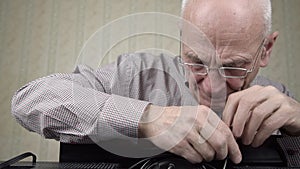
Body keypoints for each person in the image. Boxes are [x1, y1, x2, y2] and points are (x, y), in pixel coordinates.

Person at [11, 0, 300, 164]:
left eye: (233, 67)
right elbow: (30, 100)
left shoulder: (275, 97)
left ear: (265, 51)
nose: (212, 86)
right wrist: (149, 118)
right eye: (196, 61)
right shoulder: (136, 75)